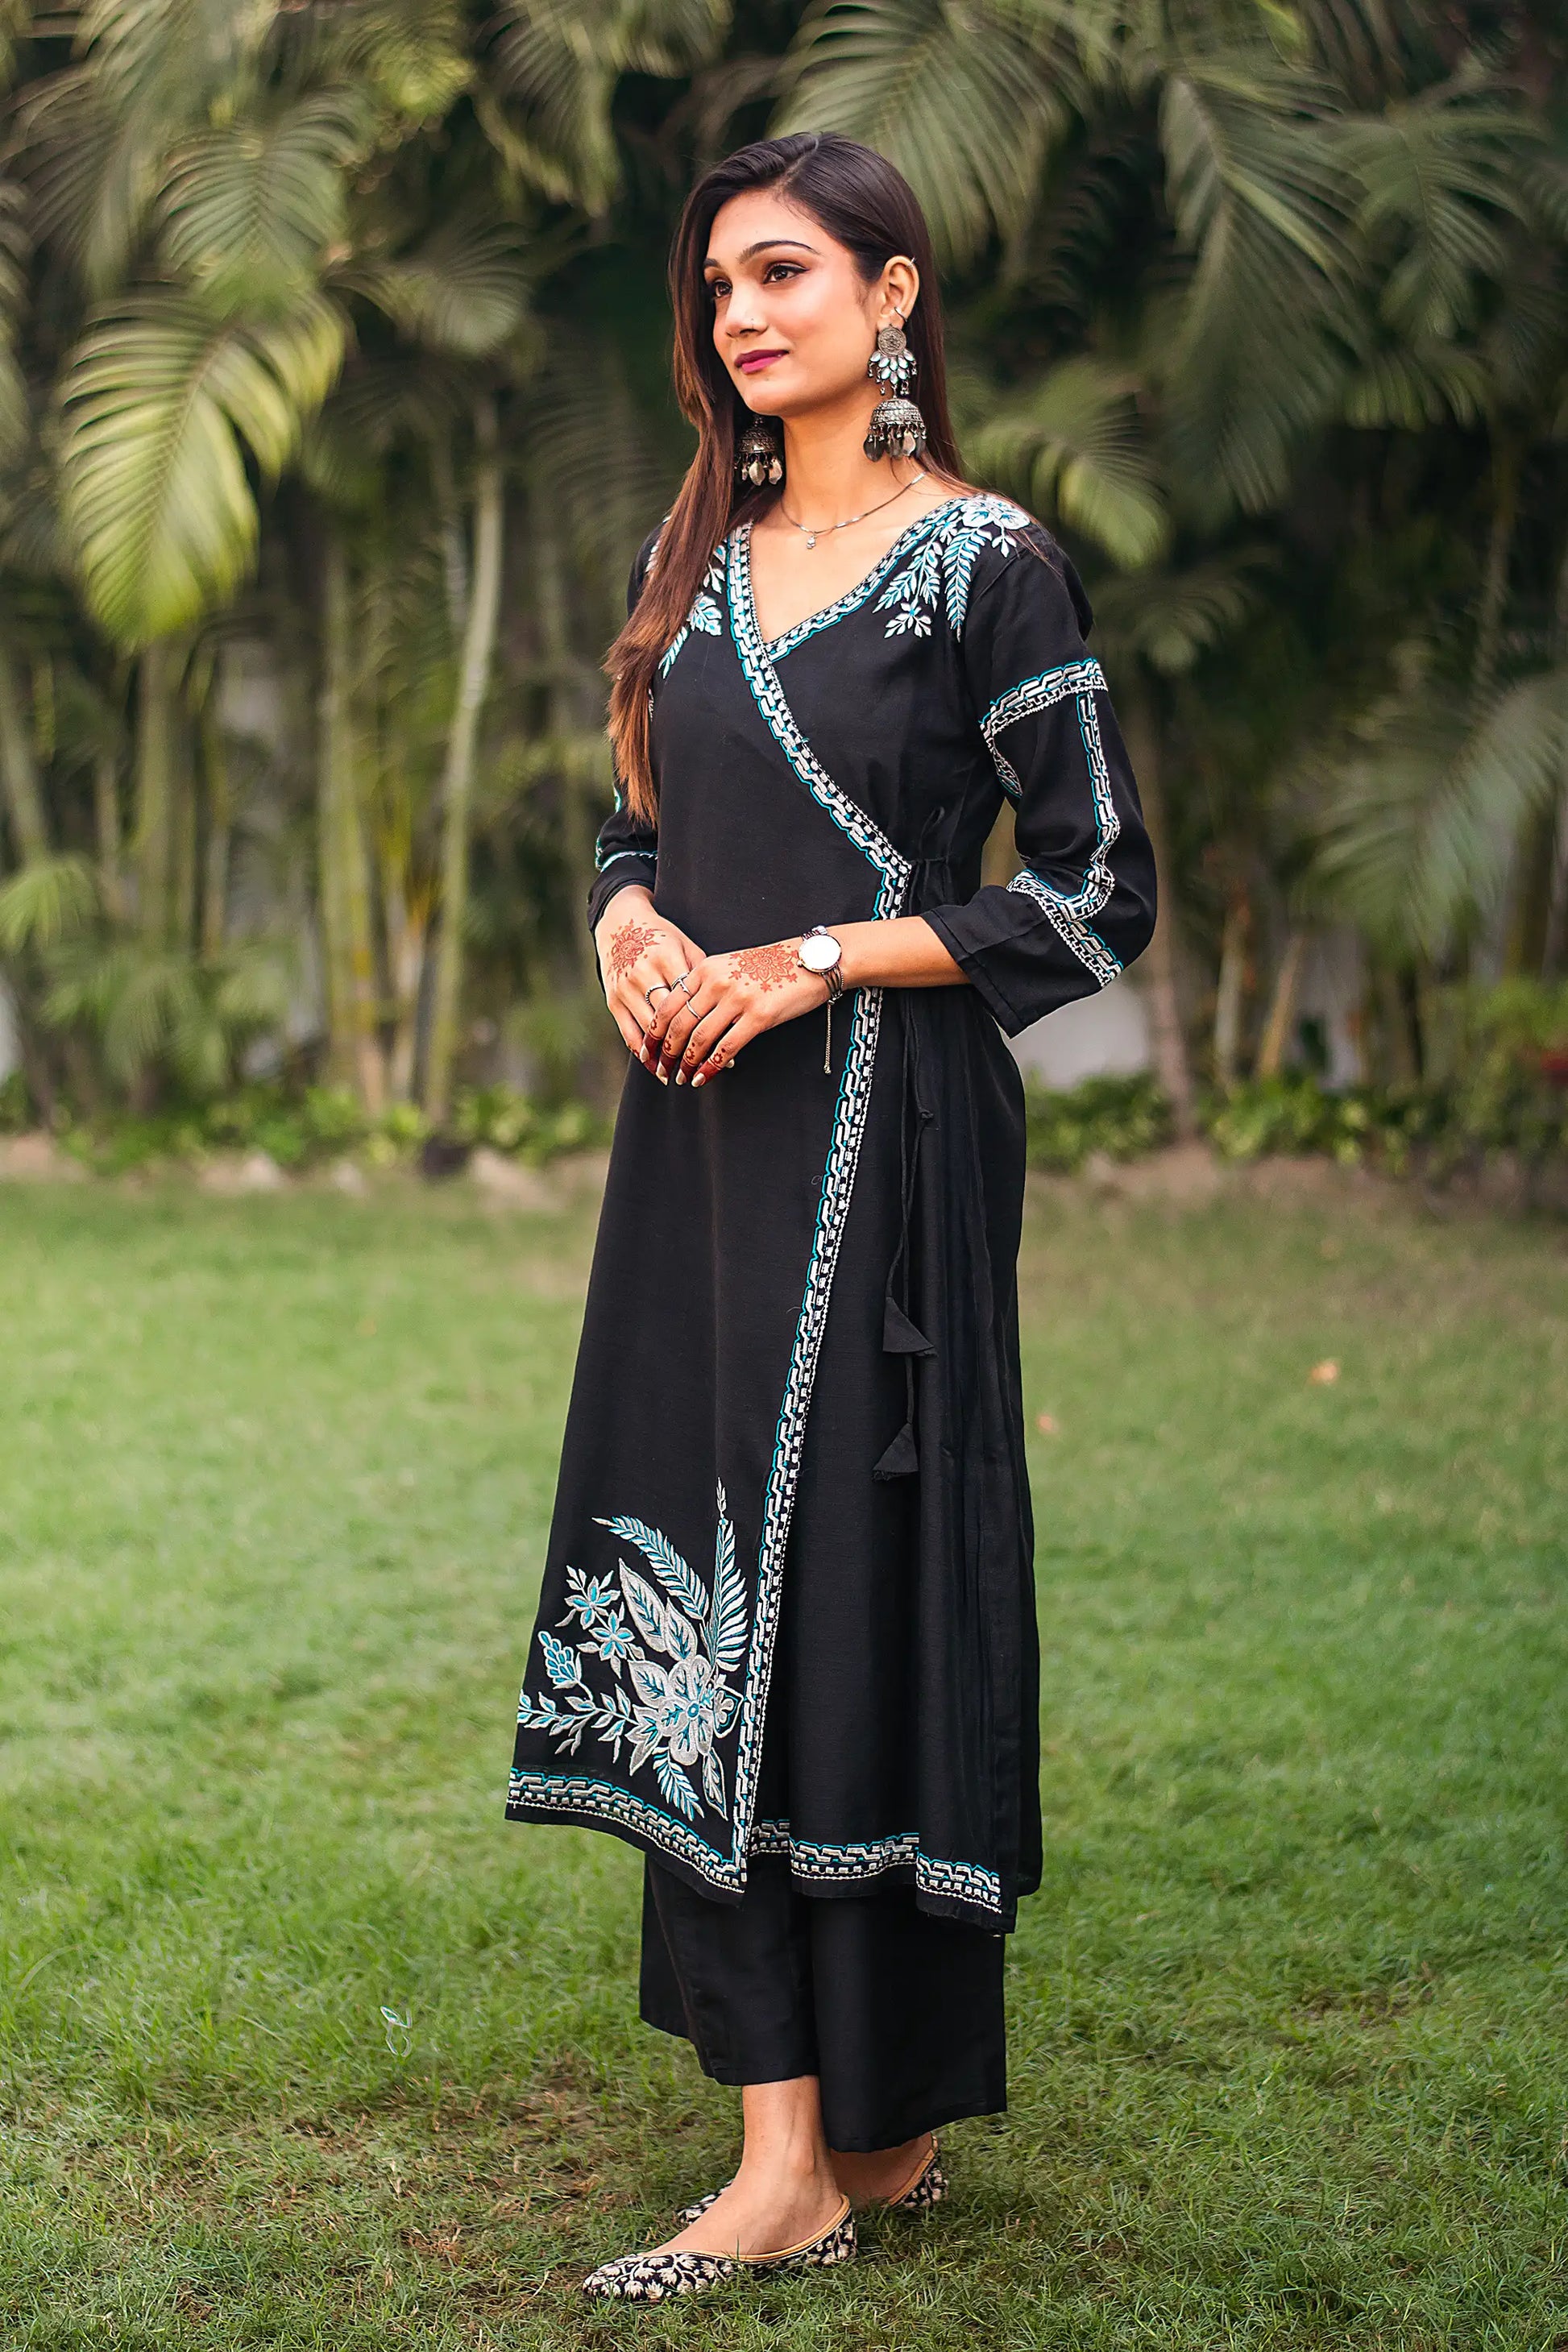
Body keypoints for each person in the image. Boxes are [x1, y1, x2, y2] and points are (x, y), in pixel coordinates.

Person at [506, 130, 1156, 2302]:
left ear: (890, 299)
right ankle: (798, 2134)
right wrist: (628, 936)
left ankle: (844, 2128)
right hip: (699, 1149)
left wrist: (805, 966)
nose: (741, 315)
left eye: (783, 272)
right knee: (711, 1579)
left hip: (887, 1146)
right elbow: (638, 820)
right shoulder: (699, 550)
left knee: (850, 1581)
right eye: (714, 289)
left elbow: (1091, 894)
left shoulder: (987, 561)